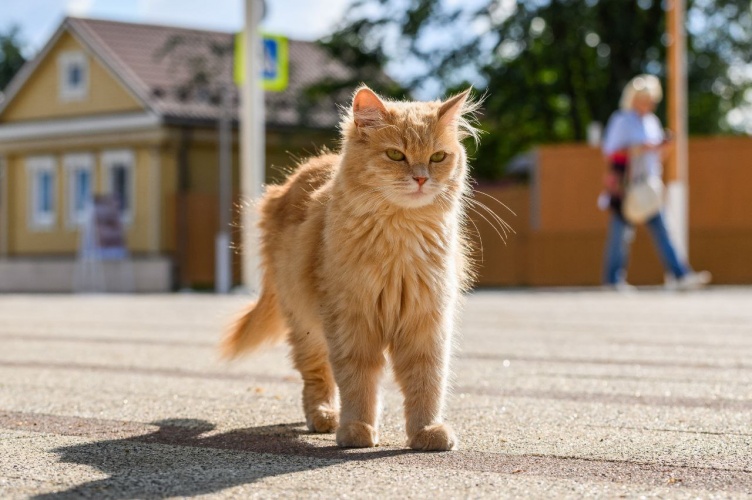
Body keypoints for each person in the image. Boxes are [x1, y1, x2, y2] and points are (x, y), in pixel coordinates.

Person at [600, 74, 711, 291]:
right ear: (634, 98)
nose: (650, 104)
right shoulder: (622, 120)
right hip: (628, 185)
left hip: (650, 186)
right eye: (646, 99)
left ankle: (680, 275)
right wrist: (642, 147)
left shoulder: (652, 122)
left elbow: (657, 156)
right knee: (620, 233)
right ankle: (612, 280)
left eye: (652, 100)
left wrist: (663, 147)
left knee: (663, 230)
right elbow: (610, 152)